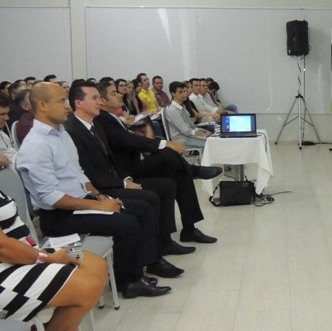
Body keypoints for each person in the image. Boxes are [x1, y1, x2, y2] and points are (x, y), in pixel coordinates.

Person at [16, 82, 172, 299]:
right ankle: (128, 282)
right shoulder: (36, 145)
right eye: (61, 101)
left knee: (141, 208)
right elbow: (52, 198)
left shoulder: (60, 134)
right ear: (42, 105)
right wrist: (99, 206)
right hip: (59, 216)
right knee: (127, 223)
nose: (67, 106)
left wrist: (100, 197)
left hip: (80, 202)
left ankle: (141, 269)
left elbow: (79, 174)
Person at [64, 81, 195, 258]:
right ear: (79, 103)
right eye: (95, 98)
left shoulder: (94, 125)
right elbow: (88, 172)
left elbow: (110, 160)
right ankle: (152, 257)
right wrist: (122, 184)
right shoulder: (73, 130)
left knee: (168, 183)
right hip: (99, 188)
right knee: (151, 194)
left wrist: (125, 180)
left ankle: (164, 243)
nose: (99, 101)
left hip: (114, 178)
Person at [95, 82, 220, 244]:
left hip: (136, 162)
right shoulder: (102, 119)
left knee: (181, 175)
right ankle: (193, 170)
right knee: (168, 153)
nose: (119, 95)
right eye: (113, 93)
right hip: (127, 172)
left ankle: (189, 229)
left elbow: (125, 139)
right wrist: (164, 143)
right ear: (102, 101)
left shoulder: (112, 118)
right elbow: (125, 140)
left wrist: (135, 130)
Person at [0, 186, 107, 331]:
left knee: (96, 264)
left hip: (28, 254)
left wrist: (41, 254)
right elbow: (2, 247)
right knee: (89, 286)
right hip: (8, 269)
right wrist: (47, 258)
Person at [165, 81, 212, 148]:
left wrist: (204, 132)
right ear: (173, 94)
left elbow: (191, 126)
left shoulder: (182, 106)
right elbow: (186, 131)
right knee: (210, 143)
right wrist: (202, 134)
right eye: (180, 92)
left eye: (185, 91)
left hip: (189, 136)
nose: (184, 94)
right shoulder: (172, 110)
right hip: (182, 140)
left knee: (211, 136)